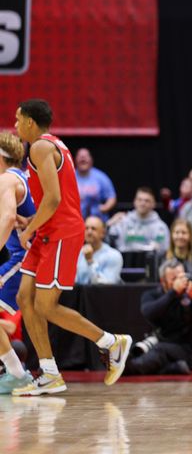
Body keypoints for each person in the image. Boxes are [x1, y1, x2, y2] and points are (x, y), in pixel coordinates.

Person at [13, 99, 131, 395]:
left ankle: (110, 342)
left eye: (17, 120)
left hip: (61, 233)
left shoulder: (40, 147)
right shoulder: (49, 146)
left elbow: (53, 200)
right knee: (25, 298)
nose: (14, 126)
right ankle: (49, 373)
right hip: (47, 231)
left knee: (46, 306)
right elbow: (50, 200)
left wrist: (29, 227)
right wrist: (31, 220)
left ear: (30, 121)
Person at [126, 260, 192, 375]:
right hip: (155, 341)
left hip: (182, 348)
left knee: (160, 350)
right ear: (163, 281)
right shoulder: (152, 294)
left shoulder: (191, 296)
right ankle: (172, 368)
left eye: (182, 277)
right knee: (134, 348)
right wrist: (173, 292)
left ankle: (127, 369)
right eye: (174, 279)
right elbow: (149, 313)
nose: (180, 282)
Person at [0, 132, 36, 393]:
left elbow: (9, 217)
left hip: (18, 257)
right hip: (24, 255)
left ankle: (17, 373)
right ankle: (16, 372)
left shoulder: (7, 179)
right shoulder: (21, 177)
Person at [107, 187, 170, 254]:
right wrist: (108, 224)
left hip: (151, 263)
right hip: (125, 262)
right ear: (134, 201)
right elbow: (107, 241)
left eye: (147, 201)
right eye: (139, 200)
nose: (142, 203)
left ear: (153, 204)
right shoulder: (122, 222)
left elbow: (165, 250)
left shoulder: (161, 227)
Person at [75, 216, 123, 285]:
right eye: (86, 228)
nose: (89, 232)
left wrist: (90, 262)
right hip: (78, 295)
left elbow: (107, 286)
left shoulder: (114, 255)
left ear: (103, 233)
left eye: (93, 229)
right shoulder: (76, 253)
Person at [74, 148, 117, 221]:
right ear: (75, 160)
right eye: (80, 156)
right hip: (75, 219)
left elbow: (112, 197)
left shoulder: (100, 177)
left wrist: (104, 208)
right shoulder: (70, 176)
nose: (83, 158)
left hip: (96, 220)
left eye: (86, 156)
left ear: (91, 160)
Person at [159, 218, 192, 283]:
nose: (180, 236)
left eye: (184, 233)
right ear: (172, 235)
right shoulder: (162, 256)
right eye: (177, 232)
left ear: (190, 236)